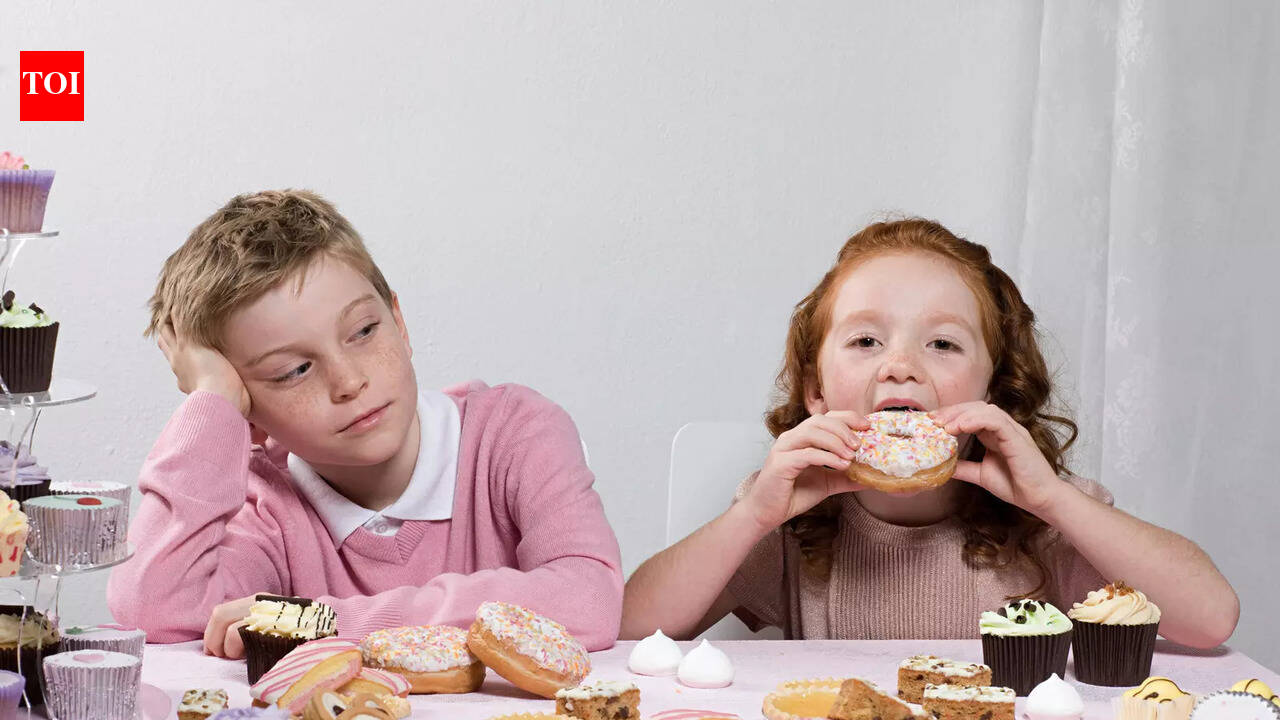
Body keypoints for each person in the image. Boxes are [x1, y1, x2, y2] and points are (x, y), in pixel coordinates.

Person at [622, 218, 1238, 647]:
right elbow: (628, 628)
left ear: (992, 392)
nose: (900, 364)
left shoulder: (1044, 518)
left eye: (942, 343)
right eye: (866, 340)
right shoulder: (790, 520)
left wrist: (1055, 500)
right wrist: (751, 517)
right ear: (816, 392)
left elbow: (1210, 619)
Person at [107, 189, 623, 656]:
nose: (348, 381)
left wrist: (325, 623)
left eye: (364, 331)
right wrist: (213, 401)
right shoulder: (264, 505)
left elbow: (589, 598)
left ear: (399, 322)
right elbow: (154, 611)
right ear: (251, 416)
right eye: (294, 371)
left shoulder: (514, 433)